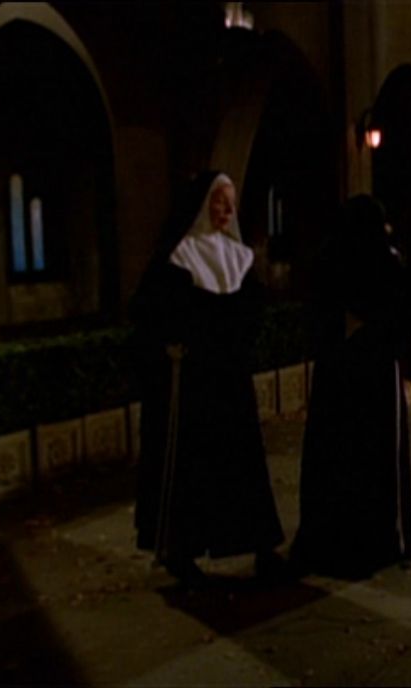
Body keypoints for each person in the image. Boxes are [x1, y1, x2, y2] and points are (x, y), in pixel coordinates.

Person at [129, 171, 286, 588]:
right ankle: (182, 551)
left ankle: (260, 545)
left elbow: (252, 314)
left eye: (231, 201)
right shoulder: (178, 258)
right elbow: (151, 316)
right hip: (195, 383)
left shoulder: (239, 258)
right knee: (195, 469)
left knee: (244, 463)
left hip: (231, 378)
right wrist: (171, 345)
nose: (228, 209)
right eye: (219, 200)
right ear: (202, 206)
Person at [290, 195, 411, 580]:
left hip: (352, 374)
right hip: (365, 375)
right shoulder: (372, 261)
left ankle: (338, 537)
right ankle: (367, 539)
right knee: (358, 456)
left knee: (345, 456)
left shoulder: (336, 258)